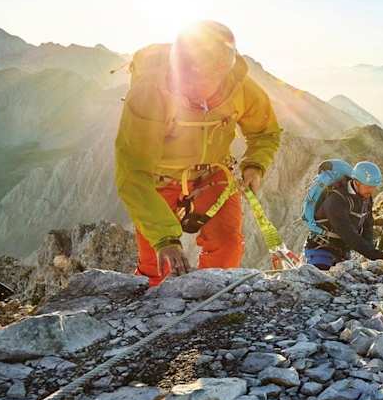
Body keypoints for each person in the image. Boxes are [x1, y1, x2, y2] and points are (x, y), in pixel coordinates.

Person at [114, 21, 282, 284]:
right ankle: (156, 305)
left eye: (203, 77)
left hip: (213, 174)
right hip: (159, 180)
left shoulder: (240, 88)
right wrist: (165, 238)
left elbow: (265, 131)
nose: (193, 85)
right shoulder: (149, 92)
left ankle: (207, 298)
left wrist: (255, 165)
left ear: (223, 71)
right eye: (187, 75)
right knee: (157, 265)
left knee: (228, 247)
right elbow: (133, 172)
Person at [303, 161, 383, 270]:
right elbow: (347, 233)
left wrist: (372, 251)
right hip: (321, 249)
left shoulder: (366, 198)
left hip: (343, 253)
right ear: (356, 182)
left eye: (373, 187)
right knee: (322, 283)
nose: (371, 191)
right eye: (368, 187)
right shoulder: (336, 199)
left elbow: (368, 226)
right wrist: (375, 255)